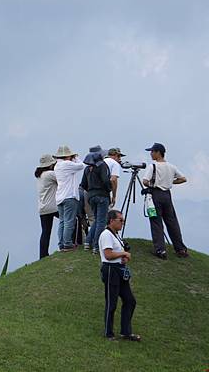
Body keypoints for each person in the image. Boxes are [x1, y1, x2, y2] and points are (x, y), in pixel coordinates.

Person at [142, 143, 189, 259]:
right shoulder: (171, 166)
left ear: (158, 152)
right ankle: (181, 249)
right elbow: (183, 179)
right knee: (172, 222)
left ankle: (160, 250)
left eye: (152, 151)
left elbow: (145, 181)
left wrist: (154, 183)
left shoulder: (152, 166)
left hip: (155, 194)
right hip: (167, 195)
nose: (151, 154)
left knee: (156, 221)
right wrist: (170, 182)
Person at [99, 210, 140, 342]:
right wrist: (124, 254)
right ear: (111, 221)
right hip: (111, 270)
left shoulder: (116, 235)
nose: (122, 222)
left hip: (119, 269)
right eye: (120, 220)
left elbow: (117, 253)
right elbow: (108, 255)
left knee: (130, 300)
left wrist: (124, 257)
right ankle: (108, 333)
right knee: (112, 302)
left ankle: (126, 332)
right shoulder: (106, 235)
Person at [53, 145, 85, 252]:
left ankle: (61, 243)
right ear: (67, 156)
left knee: (62, 221)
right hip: (69, 196)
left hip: (60, 197)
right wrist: (76, 157)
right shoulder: (67, 164)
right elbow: (81, 166)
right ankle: (67, 243)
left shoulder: (57, 165)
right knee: (69, 221)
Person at [81, 150, 112, 254]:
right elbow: (106, 180)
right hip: (102, 195)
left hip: (90, 196)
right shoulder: (102, 166)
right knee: (101, 221)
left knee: (97, 220)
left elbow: (83, 184)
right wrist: (109, 189)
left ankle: (88, 242)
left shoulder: (87, 169)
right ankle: (96, 246)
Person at [35, 154, 58, 259]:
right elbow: (62, 179)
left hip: (43, 208)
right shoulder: (50, 174)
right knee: (70, 220)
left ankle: (43, 255)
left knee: (45, 232)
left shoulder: (40, 176)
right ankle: (72, 242)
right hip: (53, 206)